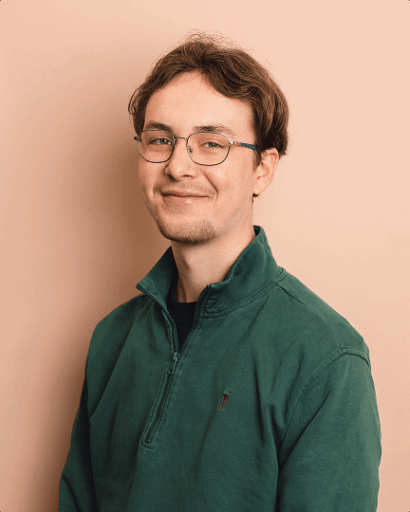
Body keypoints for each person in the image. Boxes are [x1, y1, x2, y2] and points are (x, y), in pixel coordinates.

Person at [58, 33, 381, 511]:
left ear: (263, 169)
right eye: (160, 139)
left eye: (211, 143)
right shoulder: (112, 339)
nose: (178, 166)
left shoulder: (325, 357)